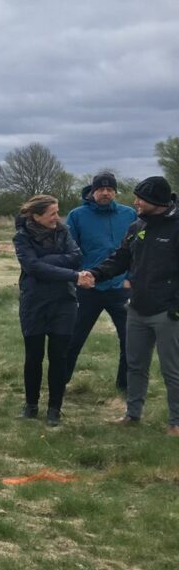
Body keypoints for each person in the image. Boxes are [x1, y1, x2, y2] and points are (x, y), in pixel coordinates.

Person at [80, 177, 179, 435]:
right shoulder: (137, 226)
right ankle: (133, 414)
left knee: (172, 370)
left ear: (157, 201)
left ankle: (176, 421)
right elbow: (120, 258)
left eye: (140, 199)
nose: (135, 202)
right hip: (136, 308)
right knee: (135, 365)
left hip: (167, 312)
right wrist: (94, 274)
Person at [13, 195, 82, 426]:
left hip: (64, 301)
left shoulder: (64, 232)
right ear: (36, 216)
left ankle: (55, 408)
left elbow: (77, 257)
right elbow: (32, 267)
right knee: (33, 356)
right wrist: (71, 274)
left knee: (58, 356)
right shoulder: (22, 237)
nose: (57, 217)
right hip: (34, 303)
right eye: (52, 213)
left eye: (57, 212)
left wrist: (46, 261)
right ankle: (31, 405)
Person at [64, 173, 136, 391]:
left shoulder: (129, 214)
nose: (105, 193)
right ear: (92, 191)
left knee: (129, 340)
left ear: (115, 192)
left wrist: (130, 279)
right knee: (73, 338)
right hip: (88, 288)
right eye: (101, 189)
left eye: (110, 189)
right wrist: (78, 277)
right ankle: (60, 381)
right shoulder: (77, 216)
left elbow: (137, 250)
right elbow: (68, 249)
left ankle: (124, 385)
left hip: (119, 288)